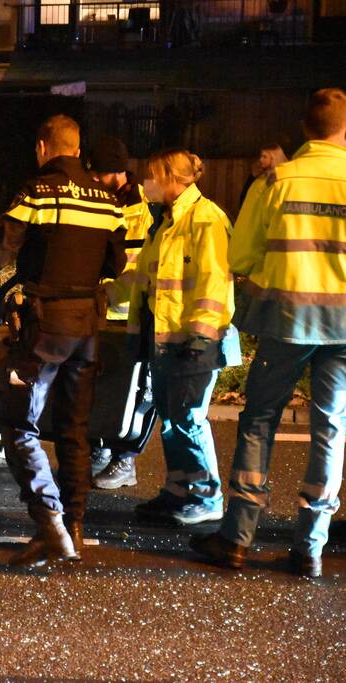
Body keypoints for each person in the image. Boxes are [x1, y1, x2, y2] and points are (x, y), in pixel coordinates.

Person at [190, 88, 346, 578]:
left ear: (305, 128)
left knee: (259, 420)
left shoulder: (276, 179)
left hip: (286, 322)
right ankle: (310, 547)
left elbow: (239, 258)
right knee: (330, 427)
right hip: (344, 328)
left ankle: (237, 538)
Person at [0, 114, 126, 566]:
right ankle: (76, 528)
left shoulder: (37, 192)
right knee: (74, 430)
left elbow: (0, 251)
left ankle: (50, 527)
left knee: (18, 425)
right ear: (78, 150)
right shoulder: (107, 200)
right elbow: (117, 263)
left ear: (44, 147)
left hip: (44, 330)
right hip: (88, 328)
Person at [127, 149, 241, 526]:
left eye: (153, 176)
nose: (148, 183)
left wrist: (202, 337)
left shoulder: (206, 219)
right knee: (173, 420)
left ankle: (208, 497)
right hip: (167, 341)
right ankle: (179, 491)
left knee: (189, 419)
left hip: (194, 343)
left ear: (175, 179)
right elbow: (143, 279)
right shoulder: (166, 223)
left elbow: (215, 283)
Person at [86, 136, 161, 489]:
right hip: (101, 309)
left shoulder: (144, 211)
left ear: (115, 172)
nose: (94, 179)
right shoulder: (100, 201)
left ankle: (125, 460)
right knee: (100, 387)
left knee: (134, 392)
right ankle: (100, 447)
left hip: (131, 312)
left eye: (98, 173)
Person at [237, 143, 287, 211]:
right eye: (260, 156)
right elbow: (245, 201)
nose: (260, 159)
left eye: (264, 157)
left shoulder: (282, 178)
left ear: (274, 158)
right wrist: (252, 176)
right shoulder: (260, 178)